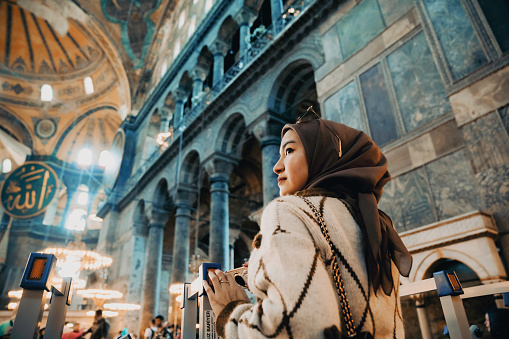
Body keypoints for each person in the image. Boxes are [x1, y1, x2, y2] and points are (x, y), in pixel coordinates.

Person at [203, 112, 413, 338]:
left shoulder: (289, 210)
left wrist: (231, 312)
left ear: (321, 156)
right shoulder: (374, 222)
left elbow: (295, 327)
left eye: (289, 151)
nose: (276, 166)